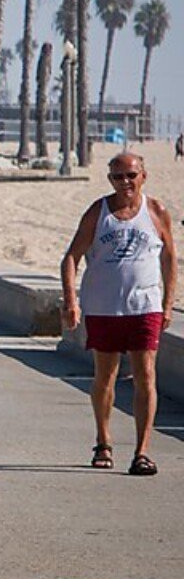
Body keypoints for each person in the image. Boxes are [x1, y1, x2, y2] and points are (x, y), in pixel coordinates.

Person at [61, 152, 176, 476]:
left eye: (131, 175)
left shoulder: (156, 212)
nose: (125, 182)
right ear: (110, 180)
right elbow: (71, 256)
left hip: (144, 306)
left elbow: (169, 260)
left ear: (143, 176)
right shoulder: (98, 213)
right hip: (103, 306)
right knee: (105, 376)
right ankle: (103, 440)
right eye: (117, 177)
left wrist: (168, 304)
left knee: (146, 376)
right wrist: (71, 300)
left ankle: (142, 452)